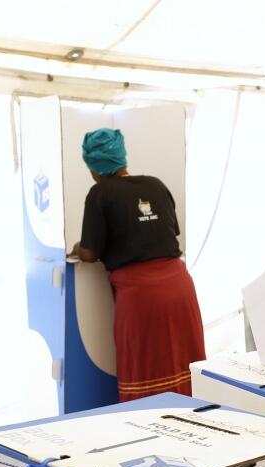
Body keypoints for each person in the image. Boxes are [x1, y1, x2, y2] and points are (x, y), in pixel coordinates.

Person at [69, 128, 205, 401]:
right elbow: (168, 232)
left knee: (145, 371)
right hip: (180, 286)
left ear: (94, 167)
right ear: (122, 158)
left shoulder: (99, 193)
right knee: (185, 365)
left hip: (141, 296)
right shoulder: (155, 184)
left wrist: (78, 248)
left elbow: (89, 253)